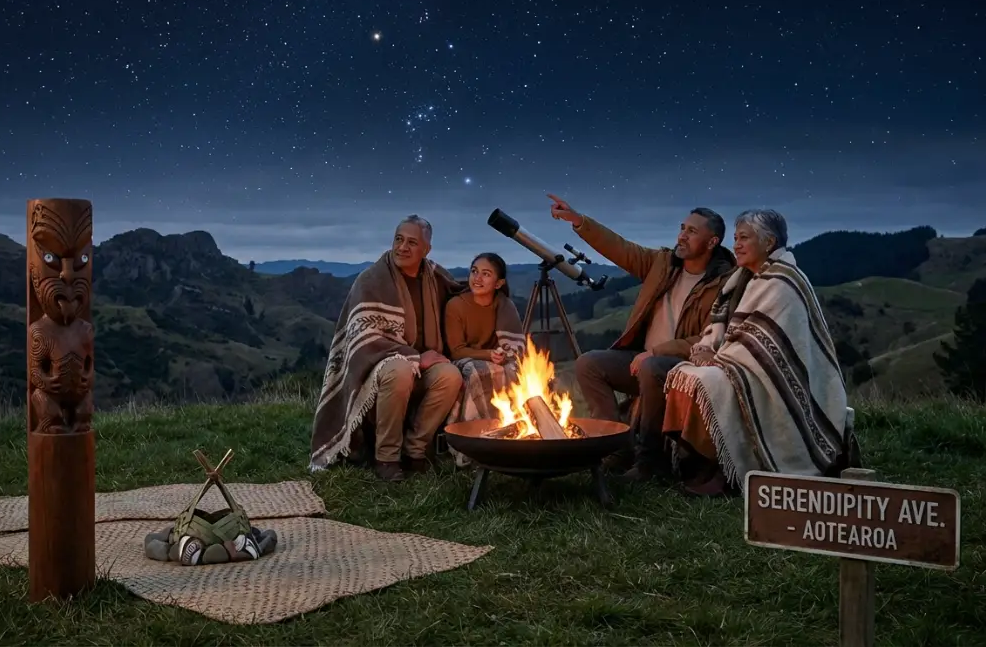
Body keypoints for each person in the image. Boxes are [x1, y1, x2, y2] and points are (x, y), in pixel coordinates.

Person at [662, 209, 850, 498]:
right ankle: (699, 469)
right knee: (684, 374)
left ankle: (723, 476)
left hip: (775, 378)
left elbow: (765, 343)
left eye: (744, 238)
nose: (736, 244)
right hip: (742, 364)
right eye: (735, 238)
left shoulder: (784, 281)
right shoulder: (741, 279)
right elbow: (722, 329)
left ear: (769, 242)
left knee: (705, 382)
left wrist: (719, 360)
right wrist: (704, 349)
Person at [548, 193, 737, 480]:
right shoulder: (662, 264)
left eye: (692, 231)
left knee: (650, 367)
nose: (682, 236)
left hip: (681, 366)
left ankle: (651, 463)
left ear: (712, 242)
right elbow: (620, 248)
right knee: (589, 363)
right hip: (643, 359)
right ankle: (617, 448)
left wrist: (658, 351)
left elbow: (709, 337)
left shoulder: (724, 283)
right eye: (682, 228)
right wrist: (579, 221)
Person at [308, 215, 465, 482]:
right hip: (379, 367)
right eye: (398, 239)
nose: (402, 247)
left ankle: (415, 451)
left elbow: (461, 295)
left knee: (450, 376)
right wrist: (415, 356)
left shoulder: (434, 275)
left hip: (421, 364)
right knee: (400, 369)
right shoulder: (371, 280)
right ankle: (387, 458)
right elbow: (365, 339)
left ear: (426, 250)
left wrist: (497, 293)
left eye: (411, 242)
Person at [442, 253, 527, 466]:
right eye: (474, 271)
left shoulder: (504, 305)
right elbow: (457, 350)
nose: (477, 278)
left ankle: (515, 436)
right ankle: (472, 443)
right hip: (464, 360)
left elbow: (513, 346)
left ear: (499, 283)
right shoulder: (456, 306)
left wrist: (502, 356)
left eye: (486, 274)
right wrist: (488, 355)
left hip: (496, 360)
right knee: (480, 372)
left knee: (516, 372)